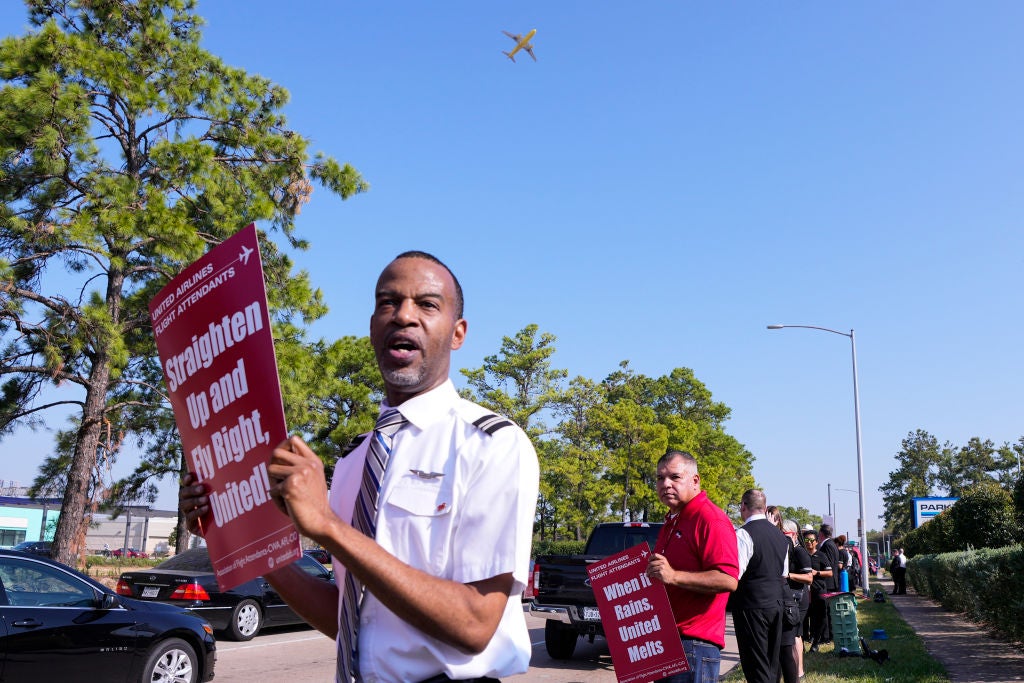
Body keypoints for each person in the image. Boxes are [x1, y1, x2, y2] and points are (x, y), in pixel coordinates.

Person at [180, 251, 540, 682]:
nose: (403, 315)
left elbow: (476, 622)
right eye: (387, 302)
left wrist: (328, 525)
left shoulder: (492, 445)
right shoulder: (354, 462)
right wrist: (236, 538)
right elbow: (351, 621)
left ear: (458, 332)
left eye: (427, 304)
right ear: (372, 326)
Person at [646, 450, 739, 683]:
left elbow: (728, 579)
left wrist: (674, 576)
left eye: (675, 477)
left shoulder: (710, 519)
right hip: (668, 642)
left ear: (694, 480)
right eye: (660, 478)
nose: (665, 484)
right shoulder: (673, 520)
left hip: (694, 646)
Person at [729, 490, 790, 683]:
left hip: (751, 606)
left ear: (743, 507)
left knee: (756, 665)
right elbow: (783, 573)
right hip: (776, 604)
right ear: (765, 508)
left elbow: (734, 573)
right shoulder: (781, 537)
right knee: (772, 663)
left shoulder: (743, 534)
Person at [780, 520, 812, 682]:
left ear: (792, 534)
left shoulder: (800, 552)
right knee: (790, 635)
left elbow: (809, 577)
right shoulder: (787, 551)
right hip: (789, 597)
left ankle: (799, 671)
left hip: (799, 597)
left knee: (795, 635)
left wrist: (788, 576)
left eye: (784, 533)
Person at [802, 530, 833, 653]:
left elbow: (830, 572)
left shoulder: (821, 555)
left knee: (819, 617)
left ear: (816, 542)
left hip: (818, 590)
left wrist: (817, 573)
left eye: (811, 540)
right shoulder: (801, 554)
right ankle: (802, 643)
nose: (809, 543)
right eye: (806, 540)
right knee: (803, 618)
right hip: (803, 591)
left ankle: (815, 643)